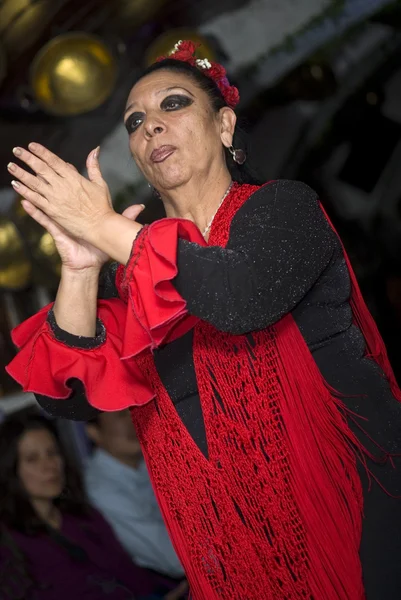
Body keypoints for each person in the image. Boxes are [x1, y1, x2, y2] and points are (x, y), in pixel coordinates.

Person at [6, 39, 401, 599]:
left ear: (224, 125)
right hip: (243, 547)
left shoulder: (282, 208)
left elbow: (235, 297)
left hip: (358, 504)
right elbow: (69, 396)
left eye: (173, 104)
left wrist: (103, 226)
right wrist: (80, 266)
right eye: (135, 121)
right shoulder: (133, 273)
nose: (150, 127)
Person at [0, 413, 172, 600]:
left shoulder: (83, 517)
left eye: (53, 453)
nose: (49, 465)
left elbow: (136, 580)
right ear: (11, 469)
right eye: (32, 459)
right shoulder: (10, 541)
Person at [85, 410, 185, 578]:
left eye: (133, 410)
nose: (132, 420)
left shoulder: (148, 459)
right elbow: (175, 559)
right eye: (121, 416)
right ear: (95, 432)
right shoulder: (102, 489)